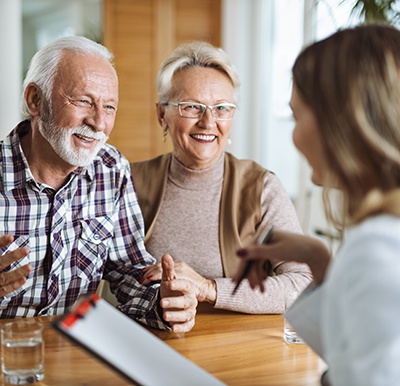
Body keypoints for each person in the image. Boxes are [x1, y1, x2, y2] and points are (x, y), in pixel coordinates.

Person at [233, 24, 400, 385]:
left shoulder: (379, 249)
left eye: (296, 116)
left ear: (341, 121)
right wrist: (322, 264)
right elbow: (357, 351)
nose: (294, 136)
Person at [0, 36, 197, 333]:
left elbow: (128, 271)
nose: (98, 122)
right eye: (83, 101)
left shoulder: (110, 168)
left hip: (77, 349)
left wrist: (163, 302)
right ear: (35, 100)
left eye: (109, 107)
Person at [133, 41, 312, 314]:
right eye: (192, 106)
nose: (208, 122)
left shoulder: (262, 187)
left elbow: (303, 284)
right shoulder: (127, 182)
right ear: (162, 115)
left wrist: (208, 288)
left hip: (236, 349)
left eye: (221, 108)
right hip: (154, 342)